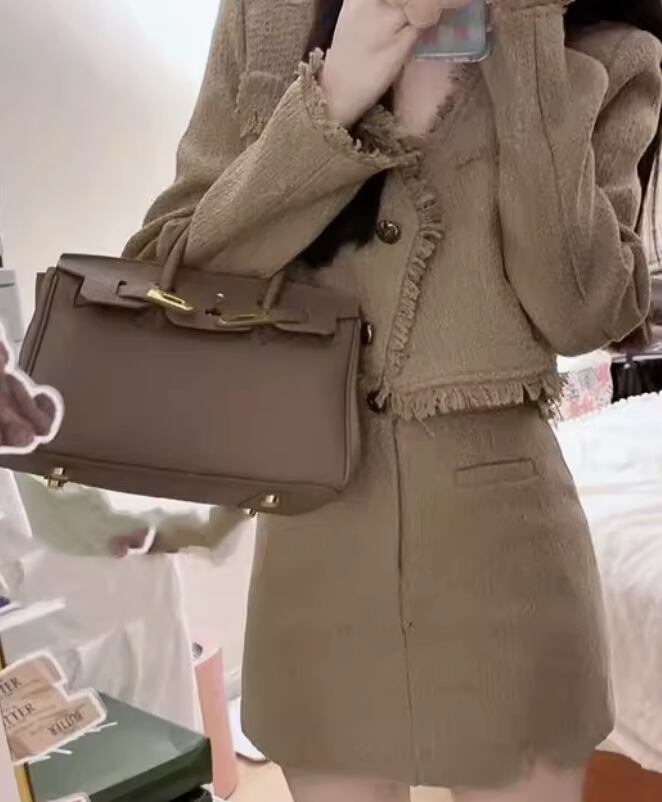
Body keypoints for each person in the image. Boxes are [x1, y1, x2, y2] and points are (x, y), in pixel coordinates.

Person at [122, 0, 662, 799]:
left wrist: (526, 42)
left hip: (509, 561)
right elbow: (173, 273)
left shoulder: (608, 49)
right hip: (315, 550)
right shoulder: (267, 19)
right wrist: (335, 95)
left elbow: (582, 311)